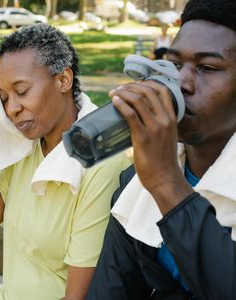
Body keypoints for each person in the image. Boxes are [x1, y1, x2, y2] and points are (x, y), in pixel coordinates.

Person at [0, 24, 130, 300]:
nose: (12, 108)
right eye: (3, 98)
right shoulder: (22, 144)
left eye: (22, 91)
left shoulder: (101, 165)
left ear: (63, 80)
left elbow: (78, 297)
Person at [87, 0, 236, 299]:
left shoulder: (156, 176)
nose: (182, 83)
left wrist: (166, 182)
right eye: (175, 65)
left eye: (207, 68)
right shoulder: (137, 183)